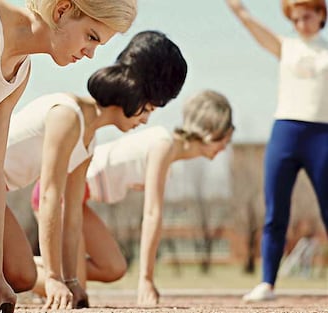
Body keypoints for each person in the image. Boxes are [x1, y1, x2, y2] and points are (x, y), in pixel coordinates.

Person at [0, 30, 187, 309]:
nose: (145, 121)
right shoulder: (68, 114)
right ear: (133, 94)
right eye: (148, 110)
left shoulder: (89, 141)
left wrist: (70, 280)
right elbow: (48, 198)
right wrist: (54, 278)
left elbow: (71, 215)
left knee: (23, 277)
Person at [31, 89, 234, 306]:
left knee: (113, 268)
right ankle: (19, 268)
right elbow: (152, 213)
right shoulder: (163, 144)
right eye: (225, 138)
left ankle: (42, 265)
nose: (224, 147)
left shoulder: (167, 156)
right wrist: (146, 279)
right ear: (211, 131)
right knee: (75, 296)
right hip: (58, 194)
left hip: (76, 201)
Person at [225, 0, 328, 302]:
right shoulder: (285, 46)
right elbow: (249, 23)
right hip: (285, 132)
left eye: (306, 17)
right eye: (295, 20)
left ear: (321, 15)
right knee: (275, 210)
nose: (300, 24)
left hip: (322, 134)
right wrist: (237, 8)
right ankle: (267, 283)